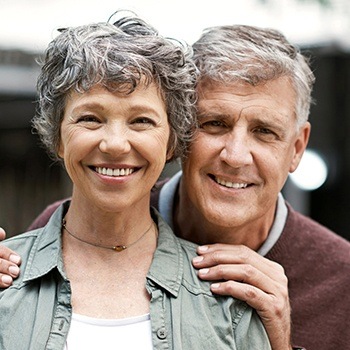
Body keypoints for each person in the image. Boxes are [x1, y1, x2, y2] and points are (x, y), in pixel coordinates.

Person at [2, 22, 349, 350]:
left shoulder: (342, 281)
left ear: (298, 148)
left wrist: (279, 339)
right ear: (180, 134)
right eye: (214, 123)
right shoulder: (69, 230)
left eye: (264, 132)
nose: (236, 155)